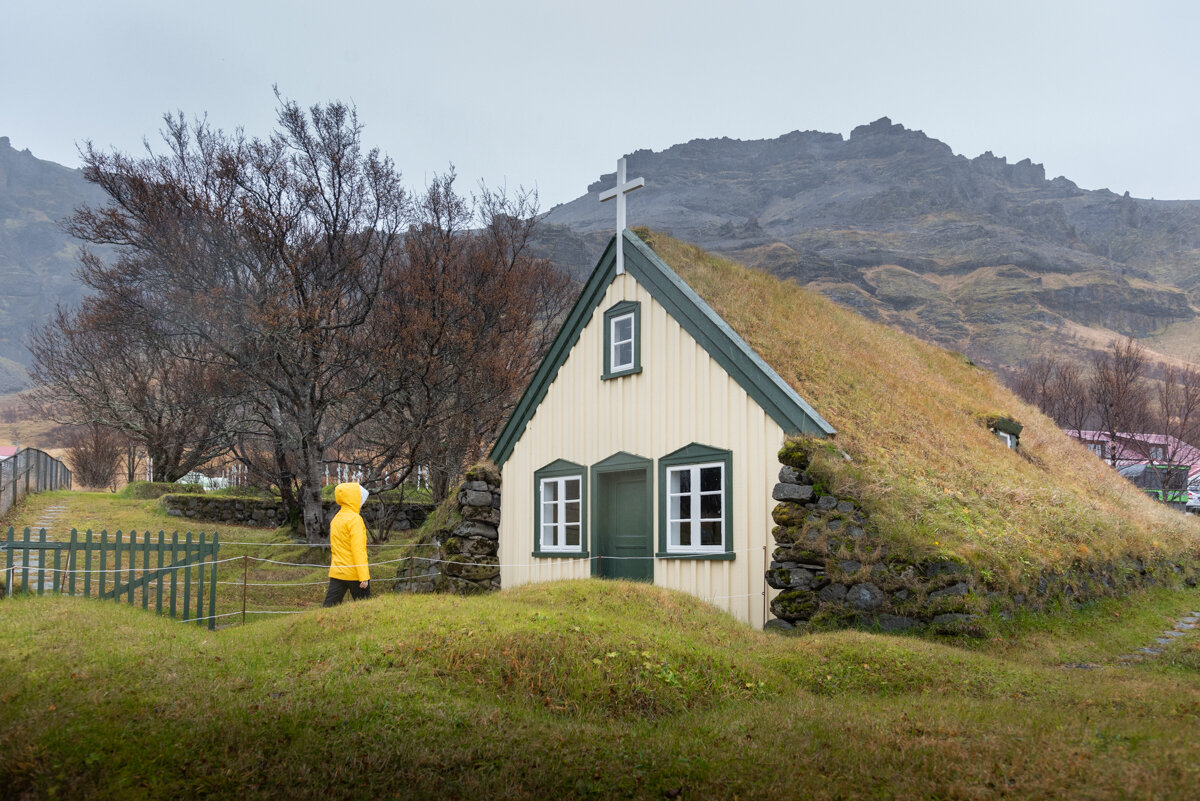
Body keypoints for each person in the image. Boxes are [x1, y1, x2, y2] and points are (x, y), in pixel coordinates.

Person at [323, 482, 371, 606]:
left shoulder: (336, 518)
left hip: (338, 572)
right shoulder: (355, 520)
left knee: (328, 610)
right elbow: (358, 550)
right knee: (365, 610)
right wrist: (363, 576)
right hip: (354, 575)